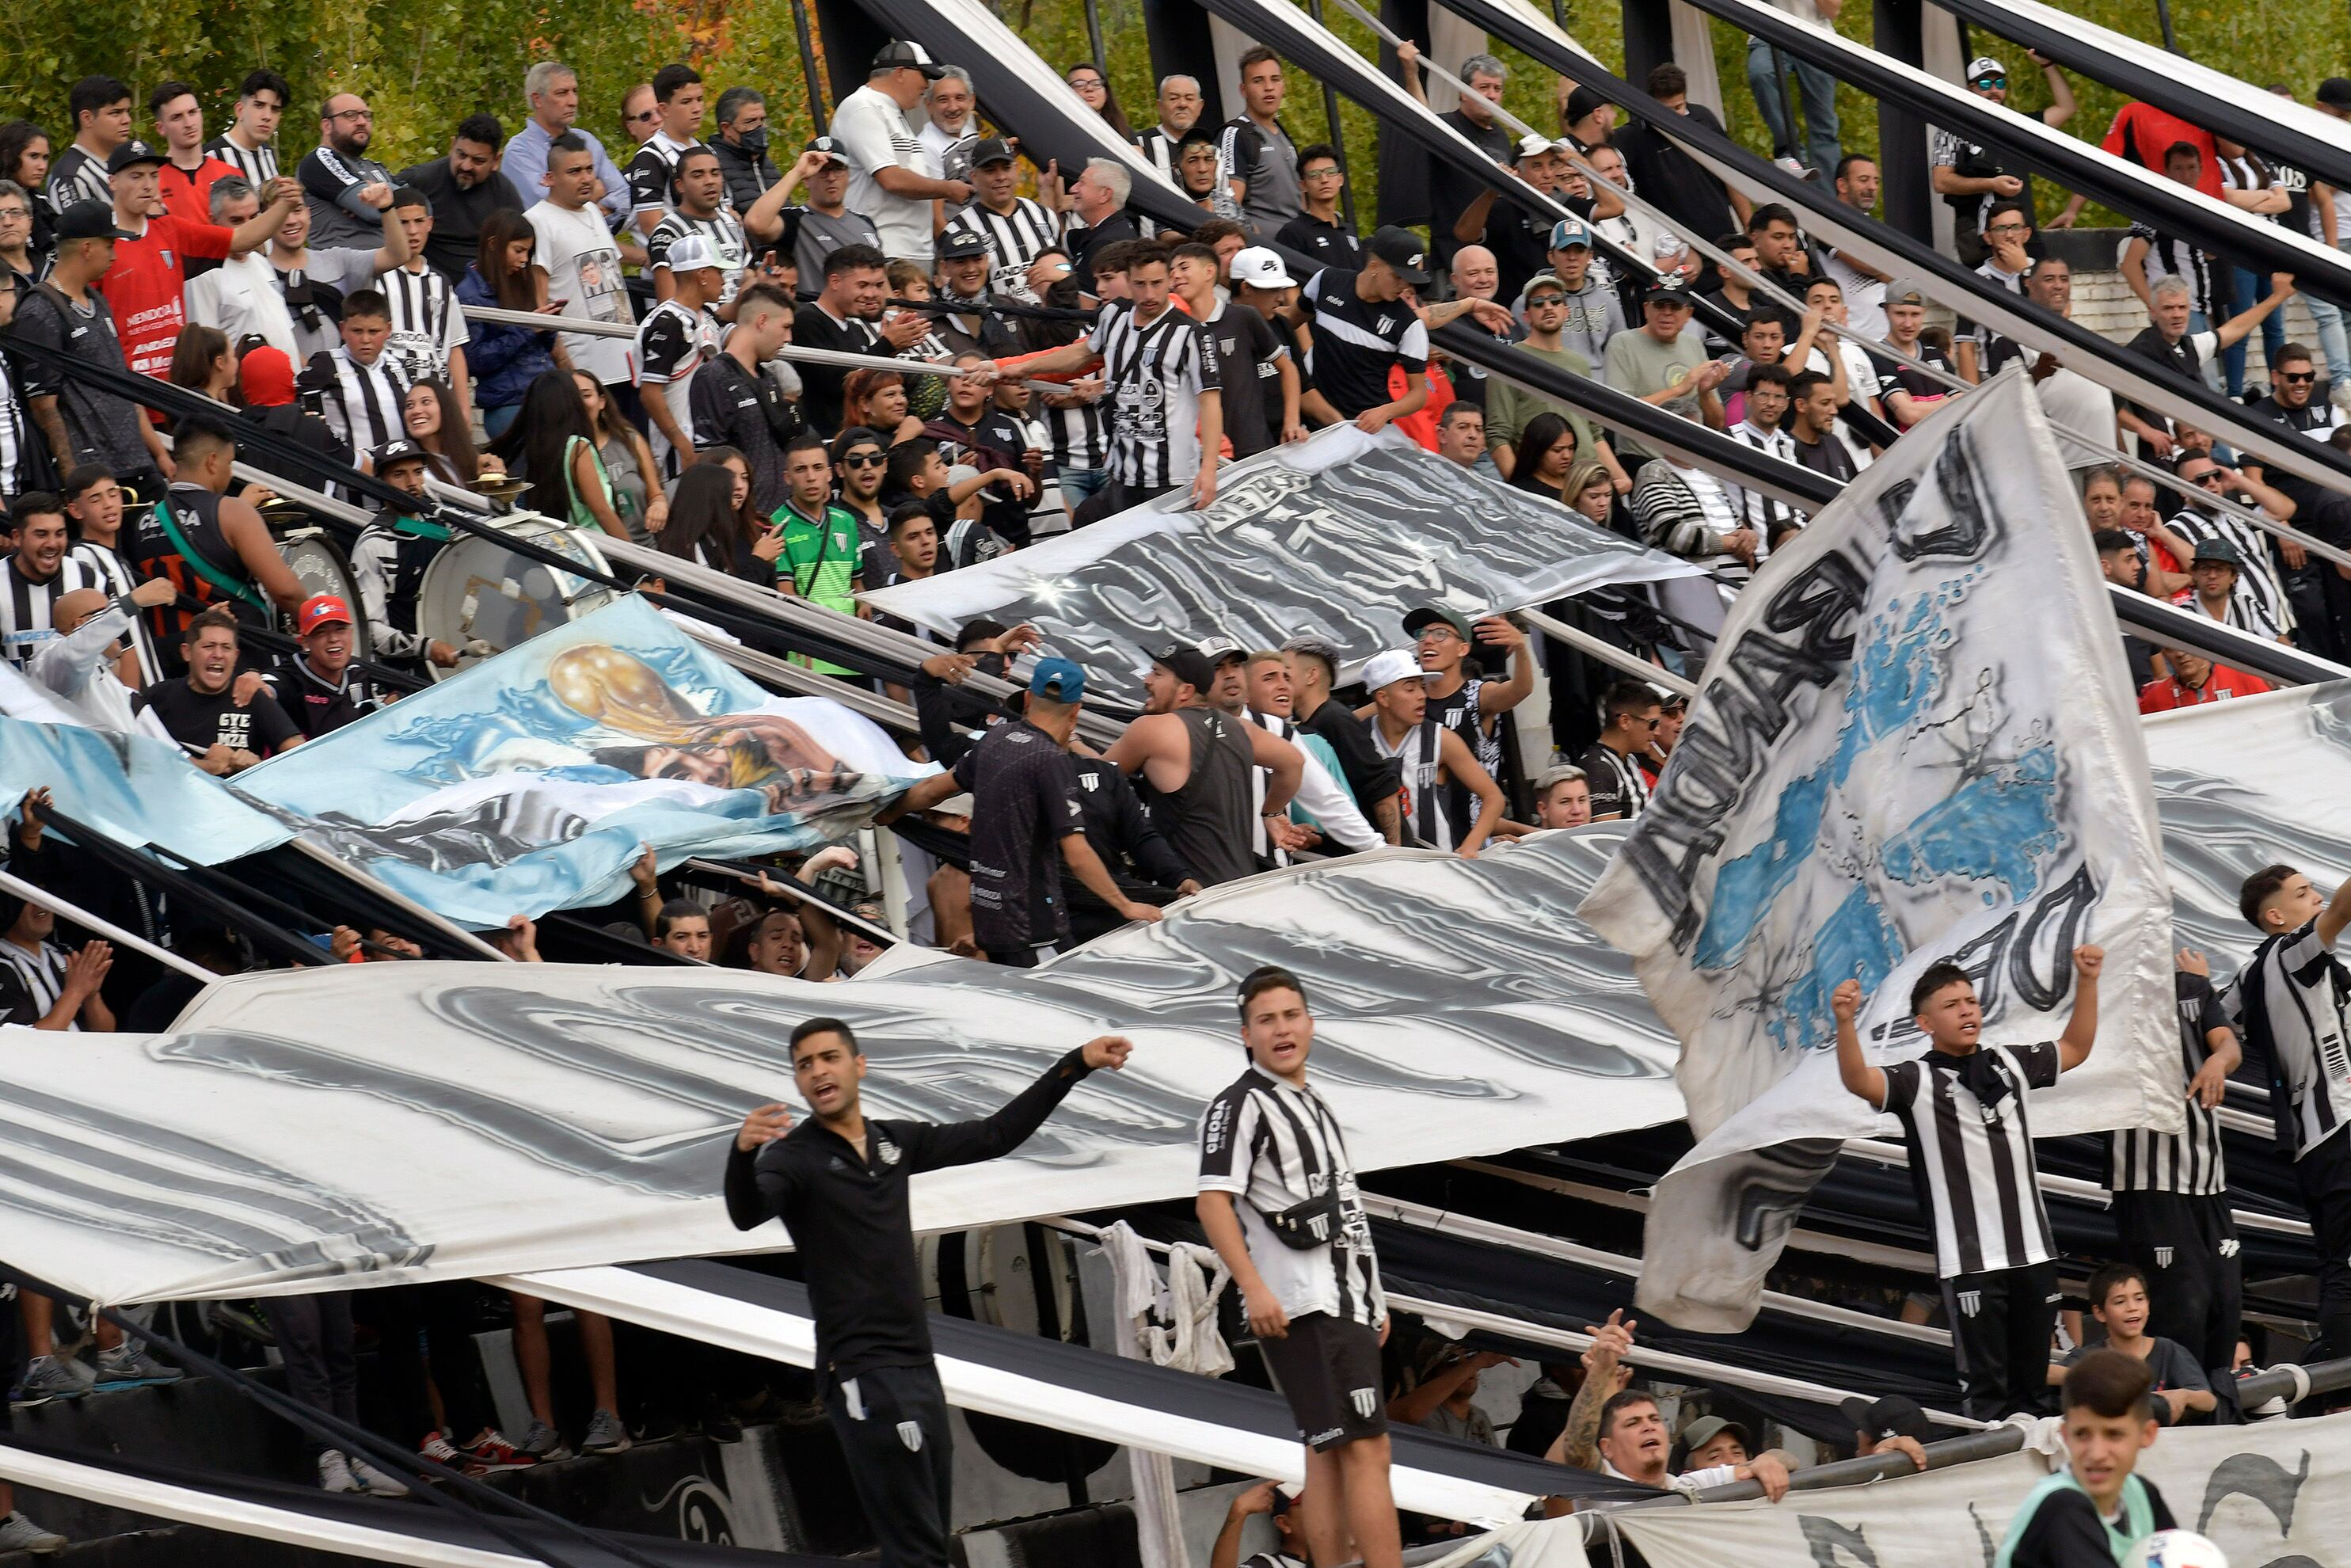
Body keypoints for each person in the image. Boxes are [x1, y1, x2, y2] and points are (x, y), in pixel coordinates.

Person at [727, 1017, 1132, 1567]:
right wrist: (742, 1155)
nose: (818, 1070)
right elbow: (748, 1213)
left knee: (926, 1545)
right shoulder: (793, 1158)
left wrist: (1075, 1064)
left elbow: (995, 1135)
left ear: (858, 1065)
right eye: (805, 1064)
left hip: (917, 1366)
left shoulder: (893, 1141)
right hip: (863, 1371)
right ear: (798, 1083)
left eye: (829, 1057)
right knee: (917, 1552)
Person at [1834, 945, 2106, 1420]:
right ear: (1925, 1024)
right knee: (1987, 1392)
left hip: (2034, 1254)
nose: (1967, 1011)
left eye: (1972, 1002)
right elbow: (1859, 1080)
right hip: (1971, 1262)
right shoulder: (1915, 1080)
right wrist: (1844, 1022)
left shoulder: (2010, 1062)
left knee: (2037, 1383)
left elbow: (2077, 1048)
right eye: (1952, 1005)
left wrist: (2087, 981)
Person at [1198, 967, 1398, 1568]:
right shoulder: (1241, 1104)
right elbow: (1211, 1200)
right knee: (1368, 1450)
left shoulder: (1313, 1102)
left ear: (1310, 1022)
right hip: (1304, 1298)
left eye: (1290, 1016)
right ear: (1245, 1034)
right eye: (1266, 1020)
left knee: (1328, 1450)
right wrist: (1253, 1288)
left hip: (1344, 1299)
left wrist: (1374, 1299)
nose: (1281, 1029)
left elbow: (1346, 1207)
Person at [884, 660, 1165, 962]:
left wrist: (888, 811)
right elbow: (1077, 852)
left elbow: (932, 789)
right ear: (1076, 712)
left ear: (1029, 698)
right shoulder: (1051, 760)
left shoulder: (994, 741)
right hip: (1033, 929)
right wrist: (1125, 905)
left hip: (991, 921)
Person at [2229, 862, 2351, 1360]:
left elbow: (2214, 1023)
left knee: (2335, 1264)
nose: (2317, 897)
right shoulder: (2292, 951)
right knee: (2345, 1267)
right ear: (2276, 916)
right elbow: (2344, 908)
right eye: (2304, 893)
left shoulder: (2248, 974)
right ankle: (2342, 1389)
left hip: (2312, 1143)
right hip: (2339, 1127)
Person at [998, 248, 1223, 511]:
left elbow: (1211, 404)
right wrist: (1025, 368)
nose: (1149, 294)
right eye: (1140, 284)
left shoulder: (1193, 333)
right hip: (1120, 476)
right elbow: (1081, 354)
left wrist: (1208, 470)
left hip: (1171, 478)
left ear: (1169, 280)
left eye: (1157, 284)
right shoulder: (1113, 316)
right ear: (1129, 282)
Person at [1104, 644, 1303, 885]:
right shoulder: (1241, 727)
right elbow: (1293, 762)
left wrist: (1072, 739)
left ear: (1186, 691)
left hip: (1187, 893)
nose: (1147, 680)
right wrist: (1272, 812)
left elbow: (1090, 780)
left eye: (1157, 673)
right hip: (1241, 884)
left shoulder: (1152, 729)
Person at [13, 201, 176, 491]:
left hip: (136, 463)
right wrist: (72, 477)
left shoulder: (97, 300)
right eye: (110, 245)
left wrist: (159, 452)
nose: (115, 256)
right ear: (87, 249)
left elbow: (121, 381)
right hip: (95, 477)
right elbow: (44, 406)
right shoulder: (40, 311)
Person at [123, 417, 305, 664]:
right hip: (234, 661)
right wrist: (312, 621)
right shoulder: (232, 512)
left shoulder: (142, 522)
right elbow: (287, 592)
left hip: (169, 661)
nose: (230, 473)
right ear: (212, 461)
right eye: (229, 463)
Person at [1997, 1351, 2178, 1567]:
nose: (2097, 1454)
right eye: (2082, 1434)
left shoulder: (2142, 1494)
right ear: (2064, 1435)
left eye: (2114, 1434)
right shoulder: (2062, 1507)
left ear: (2147, 1434)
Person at [2119, 273, 2295, 458]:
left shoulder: (2189, 346)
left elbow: (2235, 329)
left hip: (2200, 454)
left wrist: (2277, 297)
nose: (2177, 315)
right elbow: (2104, 399)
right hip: (2164, 460)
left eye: (2182, 307)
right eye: (2168, 308)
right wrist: (2144, 430)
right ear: (2153, 312)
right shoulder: (2137, 353)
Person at [1931, 54, 2075, 266]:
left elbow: (2066, 108)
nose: (1993, 90)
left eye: (1999, 83)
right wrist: (1991, 184)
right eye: (1985, 84)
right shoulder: (1952, 129)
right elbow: (1941, 181)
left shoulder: (2018, 125)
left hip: (2025, 234)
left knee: (2036, 292)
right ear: (1971, 88)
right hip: (1980, 237)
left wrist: (2048, 64)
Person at [831, 41, 965, 266]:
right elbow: (891, 179)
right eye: (924, 75)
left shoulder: (893, 111)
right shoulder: (863, 106)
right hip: (883, 248)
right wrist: (948, 189)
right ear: (901, 72)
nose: (927, 84)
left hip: (914, 250)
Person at [1360, 648, 1502, 856]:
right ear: (1383, 698)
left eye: (1422, 687)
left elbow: (1494, 798)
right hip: (1383, 863)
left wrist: (1472, 844)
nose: (1422, 696)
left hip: (1438, 860)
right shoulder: (1360, 738)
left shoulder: (1442, 739)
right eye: (1410, 689)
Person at [527, 134, 637, 404]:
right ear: (550, 178)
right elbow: (539, 305)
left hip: (627, 362)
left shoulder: (593, 212)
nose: (586, 178)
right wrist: (568, 368)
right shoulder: (537, 221)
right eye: (574, 172)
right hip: (584, 372)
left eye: (589, 169)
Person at [1406, 606, 1531, 835]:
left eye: (1440, 634)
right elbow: (1354, 720)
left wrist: (1521, 647)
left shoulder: (1477, 695)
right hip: (1423, 836)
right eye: (1422, 635)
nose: (1428, 641)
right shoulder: (1408, 698)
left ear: (1463, 648)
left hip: (1472, 839)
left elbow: (1521, 689)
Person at [135, 607, 300, 772]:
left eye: (226, 647)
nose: (218, 654)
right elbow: (132, 753)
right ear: (187, 652)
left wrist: (259, 766)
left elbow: (299, 755)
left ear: (236, 656)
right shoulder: (159, 696)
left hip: (237, 795)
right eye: (209, 646)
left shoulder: (249, 694)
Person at [2057, 1264, 2216, 1425]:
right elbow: (2047, 1374)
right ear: (2100, 1313)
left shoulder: (2169, 1351)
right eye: (2120, 1302)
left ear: (2148, 1305)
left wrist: (2184, 1395)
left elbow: (2209, 1400)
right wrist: (2094, 1375)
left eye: (2139, 1299)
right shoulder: (2091, 1357)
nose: (2132, 1308)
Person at [691, 281, 798, 517]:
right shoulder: (713, 377)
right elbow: (708, 460)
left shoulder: (769, 378)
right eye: (785, 327)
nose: (789, 338)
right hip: (743, 520)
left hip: (781, 516)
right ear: (762, 321)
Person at [1283, 636, 1402, 845]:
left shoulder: (1335, 720)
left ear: (1311, 675)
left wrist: (1394, 852)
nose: (1280, 680)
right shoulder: (1314, 722)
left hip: (1373, 854)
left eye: (1286, 672)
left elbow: (1380, 787)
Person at [455, 208, 560, 440]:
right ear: (493, 244)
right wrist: (527, 330)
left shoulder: (521, 282)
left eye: (528, 253)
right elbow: (474, 359)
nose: (524, 260)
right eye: (518, 251)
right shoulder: (468, 296)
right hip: (509, 402)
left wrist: (547, 327)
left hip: (544, 392)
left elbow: (540, 347)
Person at [1603, 283, 1725, 465]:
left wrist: (1704, 392)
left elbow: (1717, 424)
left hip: (1691, 462)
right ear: (1646, 310)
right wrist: (1679, 389)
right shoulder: (1622, 343)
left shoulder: (1693, 344)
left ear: (1688, 315)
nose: (1666, 313)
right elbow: (1619, 411)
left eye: (1675, 307)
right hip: (1643, 460)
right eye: (1659, 306)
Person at [394, 115, 524, 285]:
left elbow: (521, 247)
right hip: (424, 286)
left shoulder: (504, 194)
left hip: (483, 294)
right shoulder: (419, 181)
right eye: (461, 155)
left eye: (478, 161)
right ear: (452, 145)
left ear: (496, 161)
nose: (466, 166)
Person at [502, 62, 632, 232]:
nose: (572, 101)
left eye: (575, 92)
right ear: (537, 99)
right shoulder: (519, 152)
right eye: (562, 93)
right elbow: (551, 211)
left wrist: (587, 212)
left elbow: (623, 195)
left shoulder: (587, 140)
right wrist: (598, 190)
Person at [635, 230, 725, 478]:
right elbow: (650, 394)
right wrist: (683, 446)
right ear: (702, 275)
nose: (725, 280)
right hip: (678, 452)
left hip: (705, 439)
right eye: (720, 271)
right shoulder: (667, 323)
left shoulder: (703, 314)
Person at [650, 145, 789, 305]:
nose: (709, 181)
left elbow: (744, 274)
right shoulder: (667, 232)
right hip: (703, 326)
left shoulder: (731, 222)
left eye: (715, 173)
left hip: (742, 321)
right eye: (698, 175)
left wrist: (761, 277)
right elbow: (668, 305)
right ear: (680, 185)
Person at [1744, 0, 1840, 176]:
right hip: (1769, 32)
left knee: (1823, 124)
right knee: (1761, 73)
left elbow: (1833, 10)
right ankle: (1790, 153)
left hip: (1816, 35)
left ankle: (1825, 196)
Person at [1219, 48, 1303, 239]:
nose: (1269, 87)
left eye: (1275, 79)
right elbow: (1229, 207)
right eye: (1258, 81)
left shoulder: (1283, 132)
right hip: (1266, 253)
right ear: (1243, 89)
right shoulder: (1236, 134)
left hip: (1299, 246)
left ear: (1283, 85)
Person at [299, 93, 397, 249]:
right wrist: (386, 199)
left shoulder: (375, 167)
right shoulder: (319, 160)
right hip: (343, 270)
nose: (362, 122)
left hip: (388, 268)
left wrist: (383, 197)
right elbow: (370, 211)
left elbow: (418, 205)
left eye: (366, 115)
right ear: (327, 126)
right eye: (350, 115)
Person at [786, 135, 883, 284]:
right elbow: (756, 222)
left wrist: (891, 307)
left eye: (838, 169)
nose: (831, 177)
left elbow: (881, 277)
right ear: (807, 179)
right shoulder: (794, 220)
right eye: (822, 170)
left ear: (848, 174)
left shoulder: (865, 222)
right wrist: (797, 172)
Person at [146, 82, 238, 223]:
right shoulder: (151, 182)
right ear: (161, 128)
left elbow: (250, 233)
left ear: (201, 115)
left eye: (192, 112)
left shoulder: (231, 175)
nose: (189, 123)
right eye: (177, 117)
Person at [1575, 680, 1664, 821]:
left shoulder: (1630, 758)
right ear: (1625, 722)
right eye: (1653, 724)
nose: (1657, 732)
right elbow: (1608, 835)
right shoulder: (1598, 768)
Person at [44, 76, 132, 217]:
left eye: (128, 112)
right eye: (115, 113)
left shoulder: (125, 165)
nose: (127, 120)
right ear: (87, 118)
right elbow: (76, 237)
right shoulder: (71, 177)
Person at [1273, 144, 1361, 270]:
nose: (1324, 179)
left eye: (1331, 172)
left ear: (1340, 179)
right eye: (1314, 174)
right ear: (1303, 185)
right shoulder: (1293, 233)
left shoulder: (1349, 231)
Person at [207, 69, 291, 187]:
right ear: (240, 110)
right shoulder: (212, 157)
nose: (267, 116)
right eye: (259, 106)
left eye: (275, 109)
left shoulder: (267, 153)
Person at [710, 86, 782, 213]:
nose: (760, 127)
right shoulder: (713, 166)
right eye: (750, 121)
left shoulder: (766, 164)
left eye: (762, 120)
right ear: (726, 128)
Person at [2137, 645, 2269, 712]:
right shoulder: (2155, 698)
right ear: (2164, 654)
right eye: (2171, 649)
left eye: (2186, 645)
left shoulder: (2243, 677)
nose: (2180, 654)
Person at [1786, 369, 1858, 481]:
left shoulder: (1833, 442)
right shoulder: (1786, 448)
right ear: (1801, 405)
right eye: (1825, 403)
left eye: (1834, 403)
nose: (1834, 411)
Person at [919, 69, 978, 171]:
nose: (953, 108)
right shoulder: (924, 149)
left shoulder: (970, 129)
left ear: (972, 101)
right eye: (943, 100)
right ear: (929, 105)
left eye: (959, 98)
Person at [1531, 763, 1593, 829]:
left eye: (1581, 800)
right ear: (1543, 809)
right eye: (1565, 802)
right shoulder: (1531, 839)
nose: (1577, 811)